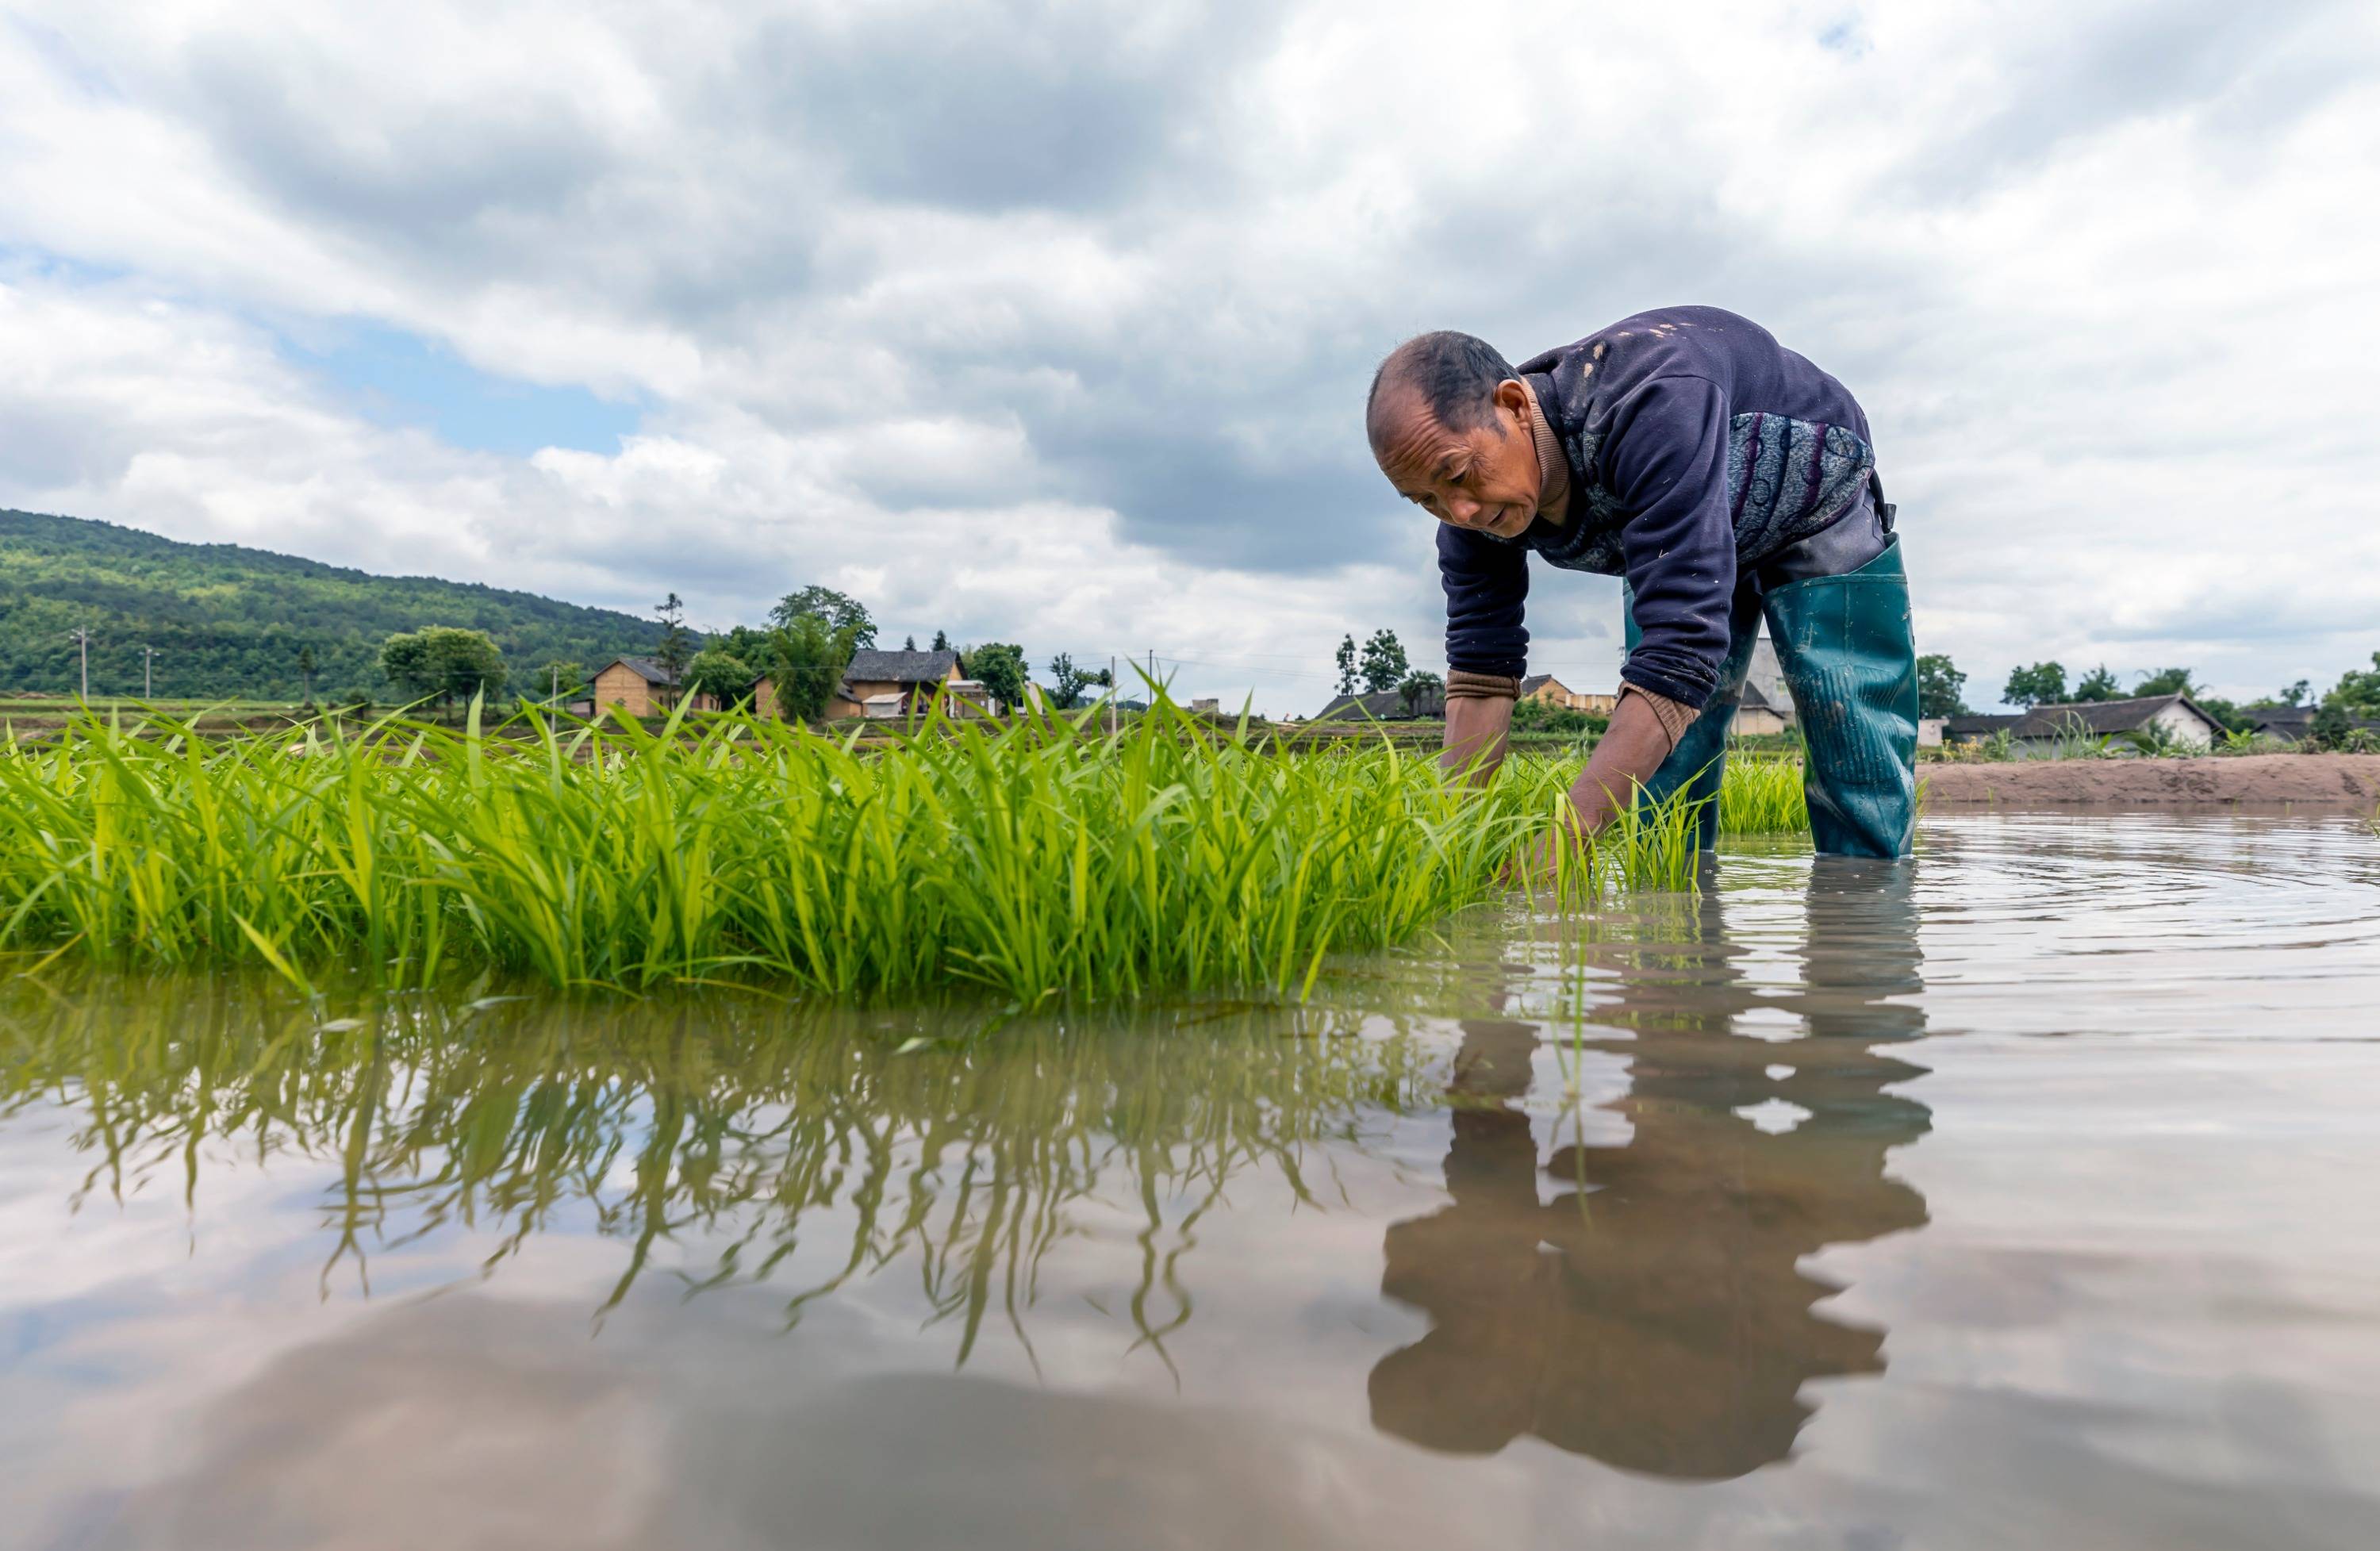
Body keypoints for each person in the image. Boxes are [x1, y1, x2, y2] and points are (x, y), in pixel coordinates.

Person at [1365, 306, 1918, 857]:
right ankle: (1674, 932)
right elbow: (1482, 670)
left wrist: (1565, 840)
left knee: (1853, 747)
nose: (1458, 510)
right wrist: (1451, 845)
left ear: (1513, 406)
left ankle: (1866, 921)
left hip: (1808, 489)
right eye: (1426, 500)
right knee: (1663, 787)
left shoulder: (1646, 403)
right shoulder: (1468, 518)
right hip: (1676, 534)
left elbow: (1680, 649)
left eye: (1459, 475)